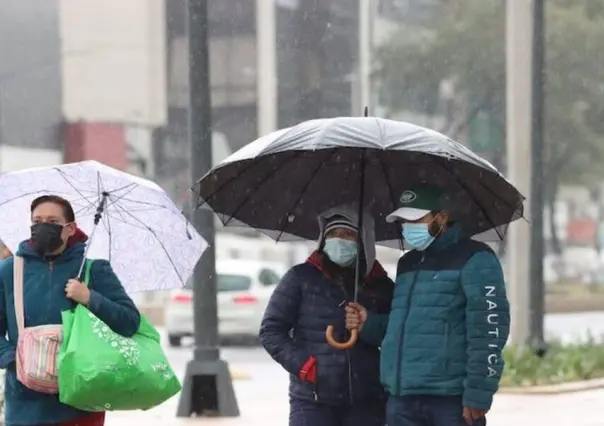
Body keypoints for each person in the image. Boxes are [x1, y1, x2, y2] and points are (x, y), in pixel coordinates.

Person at [346, 186, 510, 426]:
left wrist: (478, 393)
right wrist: (367, 323)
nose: (407, 227)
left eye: (415, 219)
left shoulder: (476, 259)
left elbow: (488, 333)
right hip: (402, 401)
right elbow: (404, 328)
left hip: (450, 403)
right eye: (403, 221)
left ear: (441, 217)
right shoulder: (408, 263)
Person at [0, 195, 141, 426]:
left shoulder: (94, 270)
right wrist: (14, 360)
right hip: (25, 405)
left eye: (52, 221)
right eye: (37, 221)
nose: (43, 227)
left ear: (70, 228)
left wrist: (89, 298)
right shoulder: (8, 271)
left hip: (80, 403)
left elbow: (129, 322)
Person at [259, 206, 394, 426]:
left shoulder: (380, 286)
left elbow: (398, 333)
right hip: (312, 400)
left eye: (348, 235)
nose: (340, 241)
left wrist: (368, 325)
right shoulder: (300, 278)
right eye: (333, 234)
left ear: (363, 242)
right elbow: (271, 331)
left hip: (367, 401)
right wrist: (304, 365)